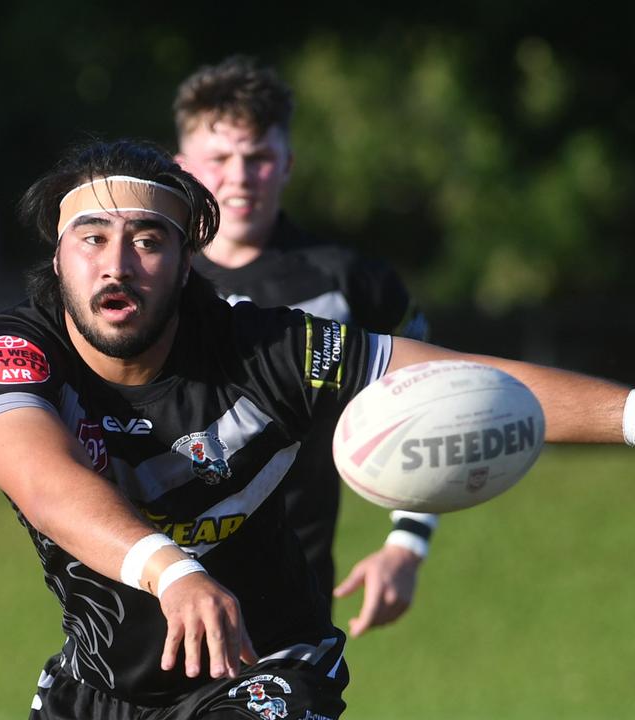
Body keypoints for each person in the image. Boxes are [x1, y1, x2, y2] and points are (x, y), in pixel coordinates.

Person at [0, 138, 635, 718]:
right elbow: (40, 480)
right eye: (90, 237)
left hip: (269, 668)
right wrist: (169, 570)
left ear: (187, 261)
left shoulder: (273, 349)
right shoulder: (11, 354)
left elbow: (477, 386)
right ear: (57, 257)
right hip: (97, 688)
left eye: (148, 239)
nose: (116, 261)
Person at [173, 55, 435, 637]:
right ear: (183, 168)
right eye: (219, 159)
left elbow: (437, 406)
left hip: (289, 603)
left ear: (287, 164)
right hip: (149, 602)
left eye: (259, 157)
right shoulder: (144, 283)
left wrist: (407, 544)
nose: (239, 177)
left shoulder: (351, 283)